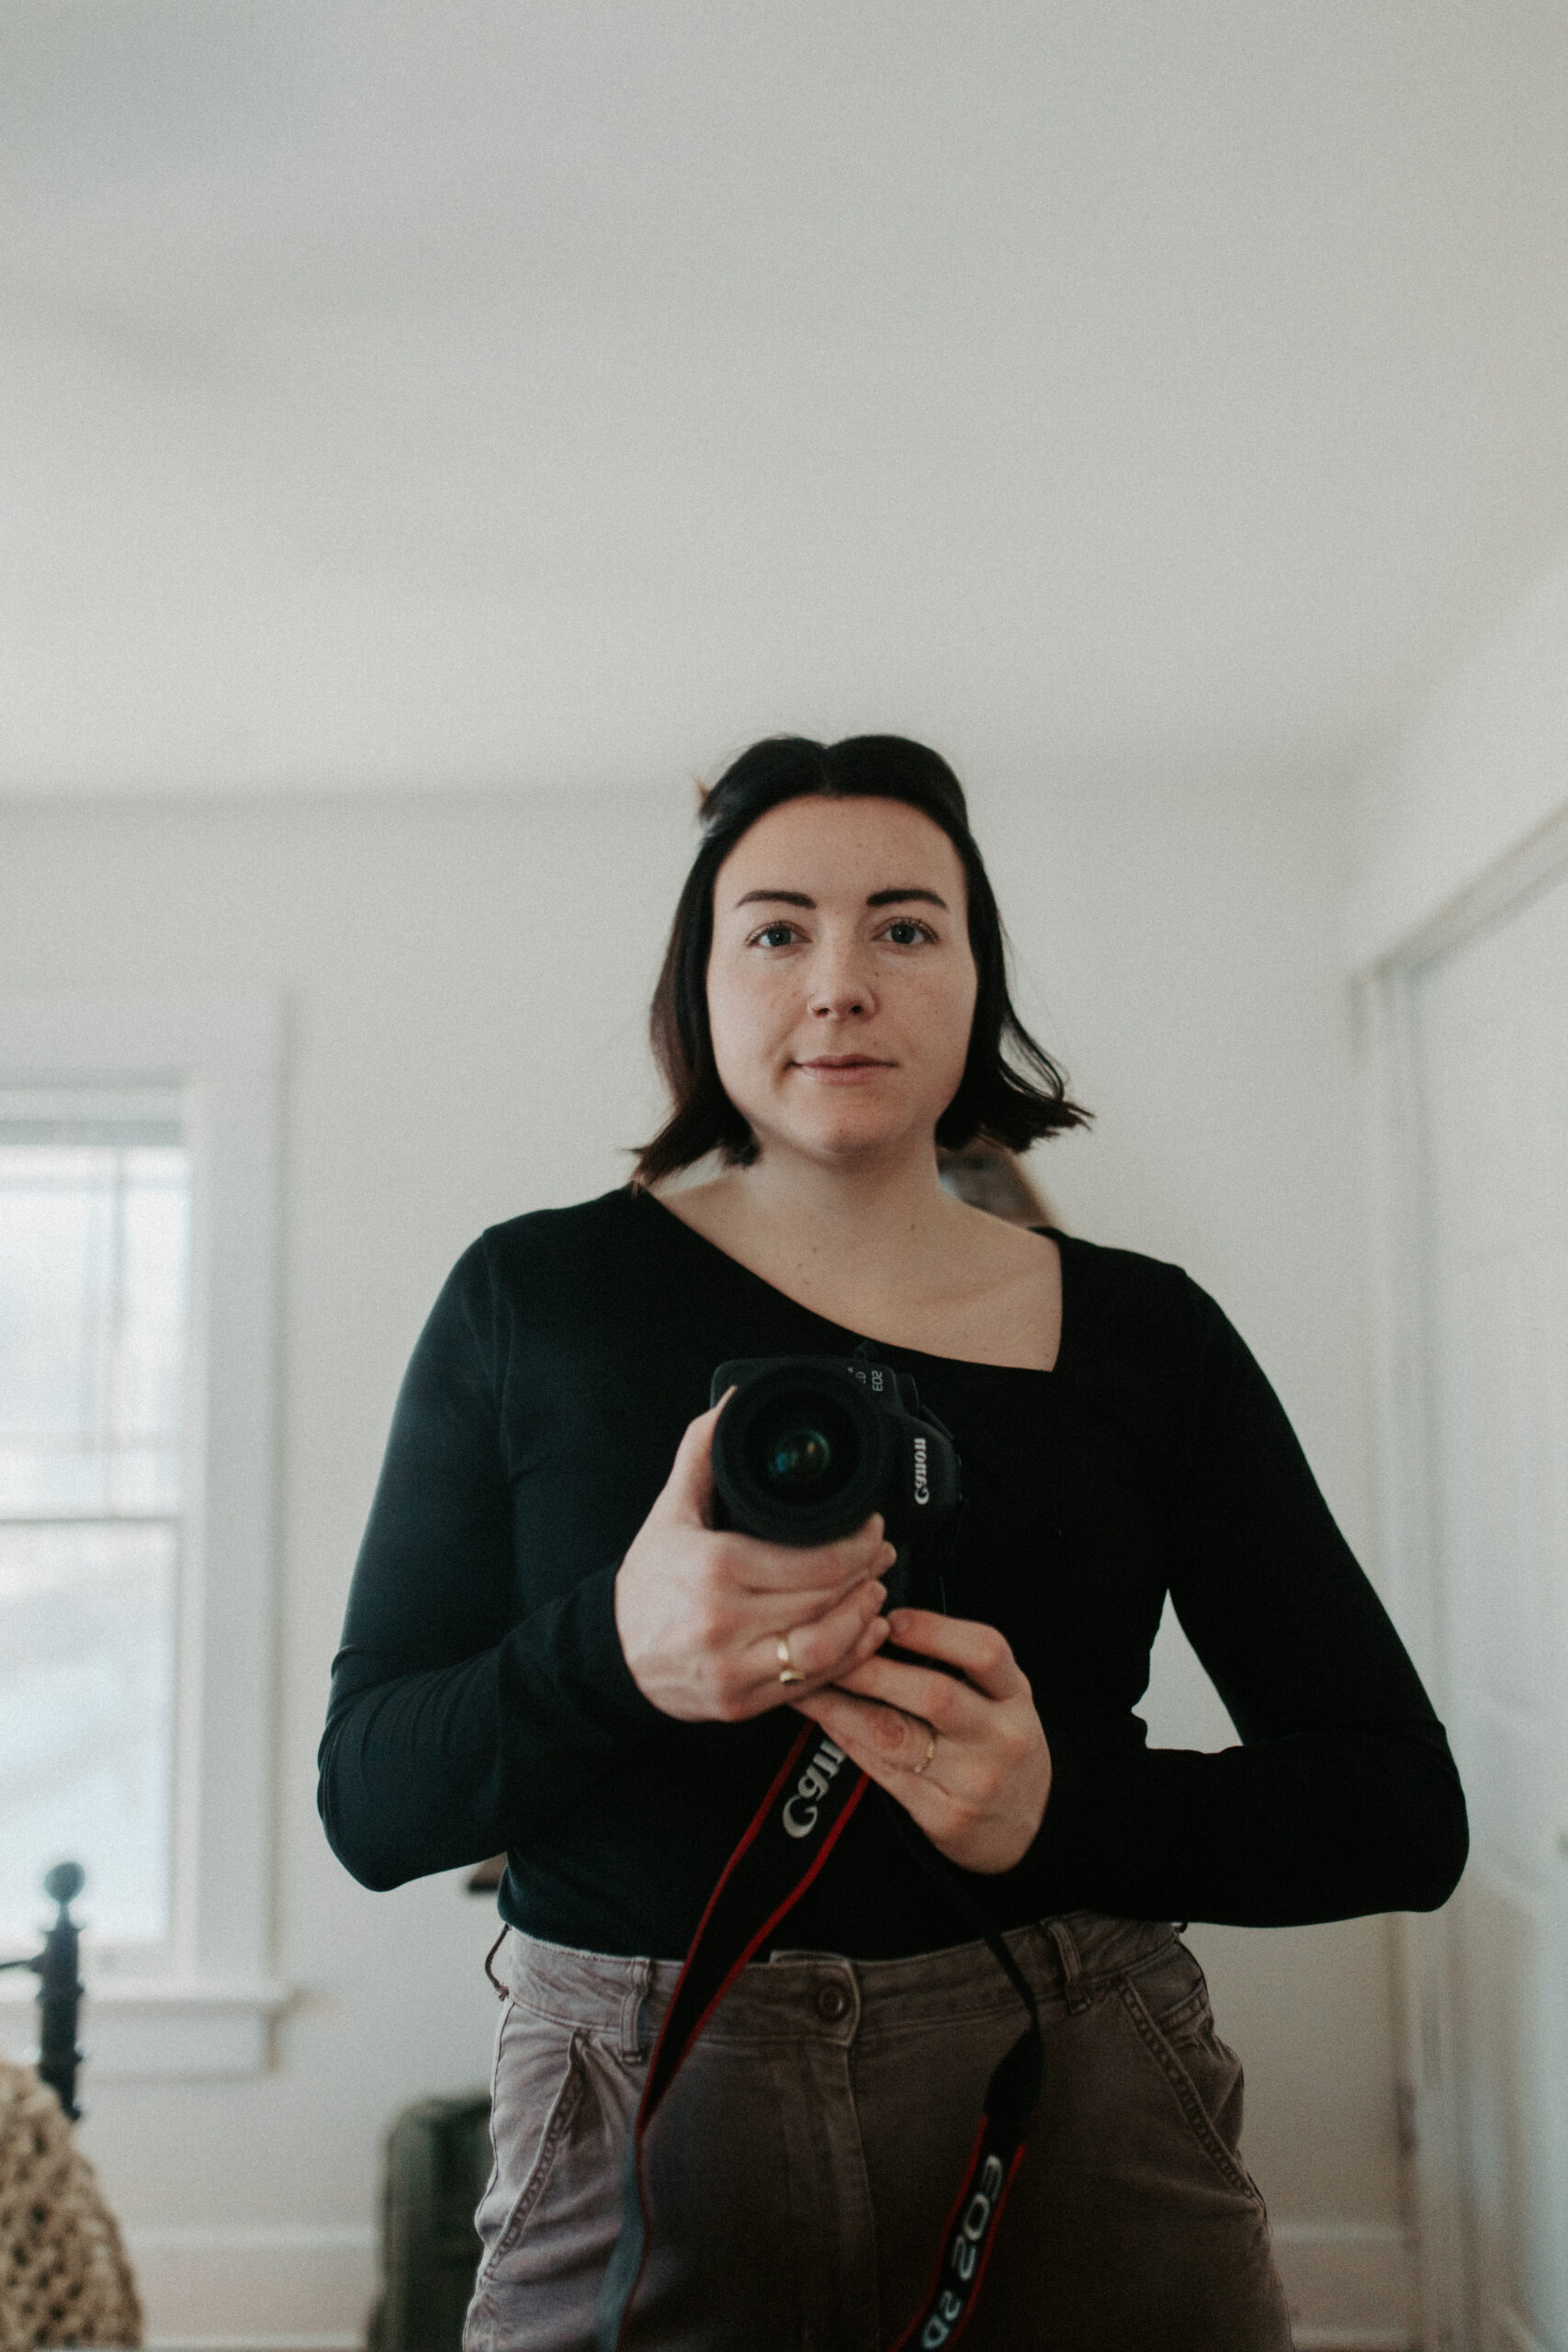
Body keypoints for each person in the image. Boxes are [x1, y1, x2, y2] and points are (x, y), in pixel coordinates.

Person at [319, 734, 1468, 2352]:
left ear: (977, 978)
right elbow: (373, 1799)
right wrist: (617, 1650)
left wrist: (1060, 1809)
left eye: (905, 927)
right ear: (699, 986)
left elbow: (1400, 1811)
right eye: (776, 929)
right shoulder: (535, 1300)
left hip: (1074, 2090)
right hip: (640, 2104)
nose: (839, 984)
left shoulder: (1144, 1336)